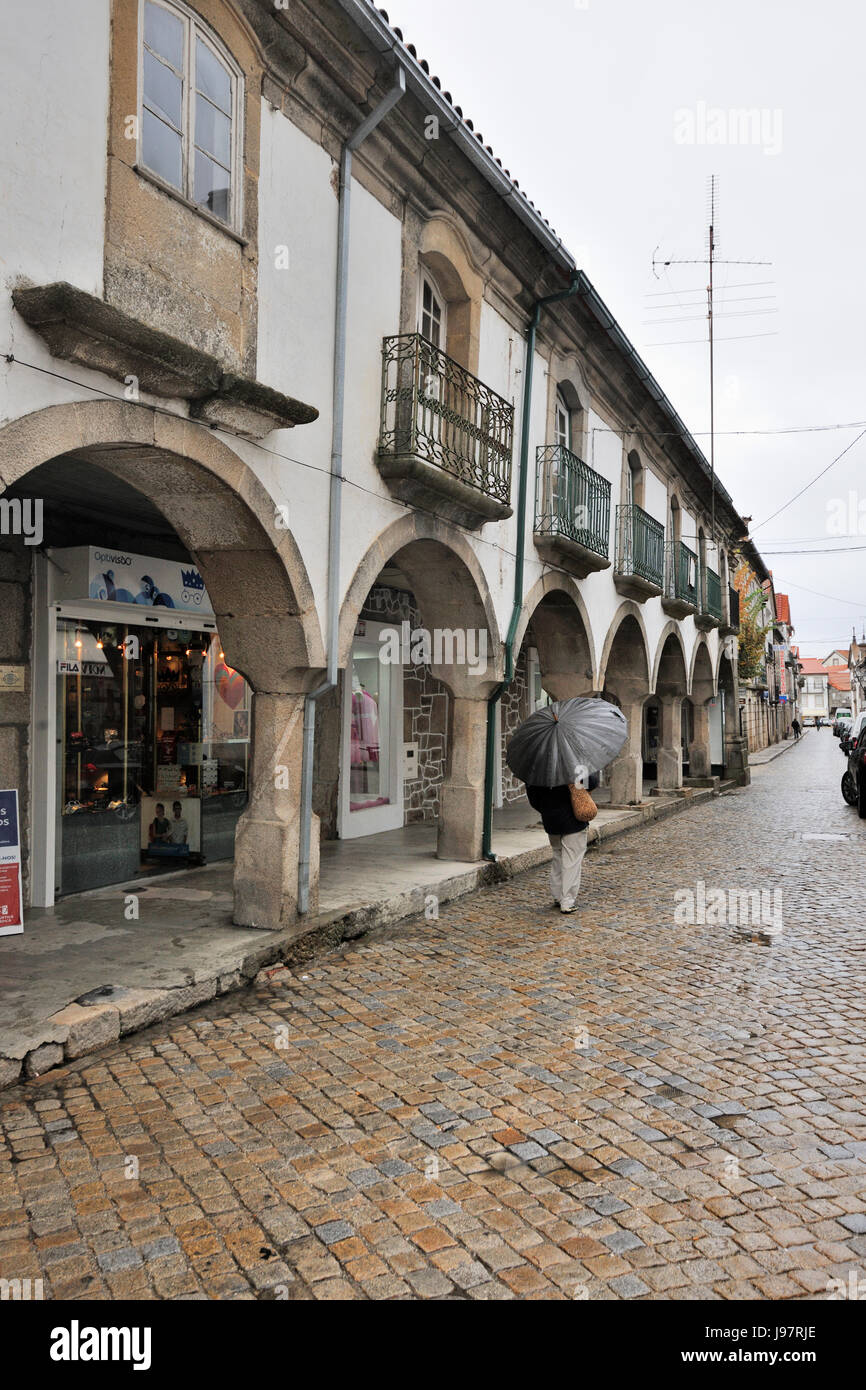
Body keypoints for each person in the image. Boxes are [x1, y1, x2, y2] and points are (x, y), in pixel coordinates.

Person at [525, 772, 598, 916]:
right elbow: (592, 782)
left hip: (551, 819)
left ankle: (558, 896)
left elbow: (533, 798)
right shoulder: (574, 762)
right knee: (572, 860)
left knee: (558, 856)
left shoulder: (538, 768)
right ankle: (567, 901)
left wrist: (548, 809)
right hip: (573, 818)